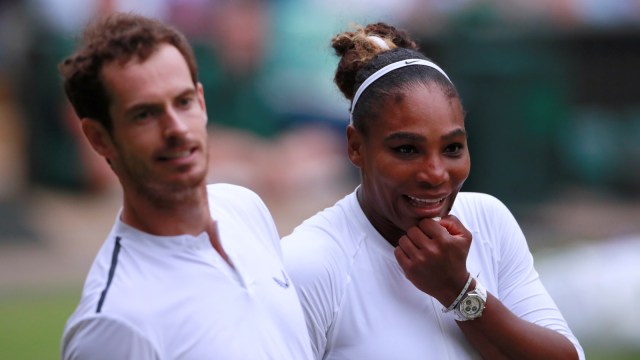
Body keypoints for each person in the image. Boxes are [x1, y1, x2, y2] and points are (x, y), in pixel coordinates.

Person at [282, 22, 585, 360]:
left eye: (452, 148)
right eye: (407, 150)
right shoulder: (310, 265)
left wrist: (459, 291)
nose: (436, 174)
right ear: (356, 147)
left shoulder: (489, 221)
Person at [59, 12, 313, 359]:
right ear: (99, 138)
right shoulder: (113, 323)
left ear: (202, 102)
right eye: (145, 114)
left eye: (183, 102)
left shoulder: (245, 209)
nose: (176, 128)